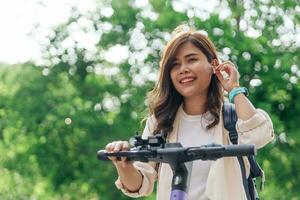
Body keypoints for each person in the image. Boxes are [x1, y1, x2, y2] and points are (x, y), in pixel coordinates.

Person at [105, 25, 274, 200]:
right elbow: (140, 184)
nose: (183, 69)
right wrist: (123, 164)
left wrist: (234, 89)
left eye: (191, 59)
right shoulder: (160, 122)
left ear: (213, 64)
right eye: (175, 64)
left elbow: (259, 135)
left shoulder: (233, 117)